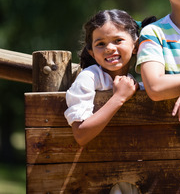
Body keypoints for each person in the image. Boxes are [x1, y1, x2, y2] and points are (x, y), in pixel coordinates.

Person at [64, 9, 156, 146]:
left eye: (118, 40)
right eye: (100, 44)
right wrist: (119, 97)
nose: (109, 48)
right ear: (92, 53)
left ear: (135, 46)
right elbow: (80, 134)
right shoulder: (89, 78)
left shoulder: (135, 83)